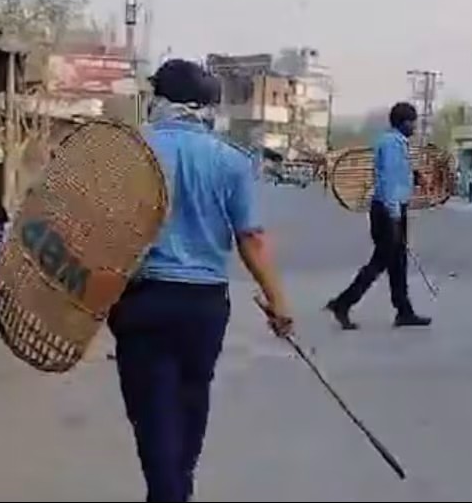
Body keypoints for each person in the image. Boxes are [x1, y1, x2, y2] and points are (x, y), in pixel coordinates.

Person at [108, 59, 293, 502]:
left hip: (142, 300)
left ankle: (168, 492)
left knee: (151, 412)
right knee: (192, 400)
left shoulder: (130, 151)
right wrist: (277, 301)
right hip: (204, 306)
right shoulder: (231, 160)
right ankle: (178, 489)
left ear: (160, 99)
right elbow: (250, 237)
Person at [326, 102, 432, 330]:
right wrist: (394, 216)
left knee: (398, 262)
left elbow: (396, 173)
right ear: (403, 123)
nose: (415, 127)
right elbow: (389, 181)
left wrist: (415, 176)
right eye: (412, 123)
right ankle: (343, 303)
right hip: (388, 210)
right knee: (380, 262)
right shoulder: (392, 144)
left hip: (391, 208)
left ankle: (404, 311)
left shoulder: (395, 142)